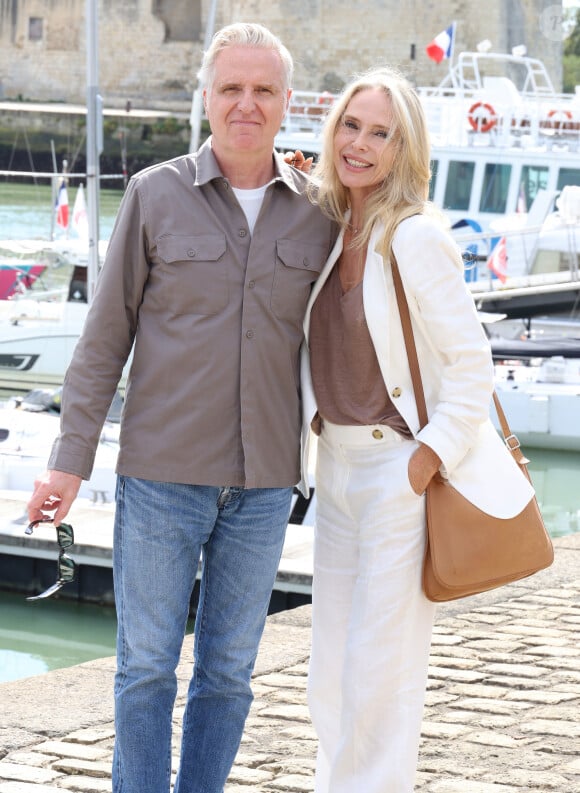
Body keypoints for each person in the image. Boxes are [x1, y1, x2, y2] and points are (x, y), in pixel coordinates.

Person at [27, 22, 334, 793]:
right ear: (206, 96)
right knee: (145, 669)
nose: (246, 104)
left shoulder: (320, 213)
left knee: (230, 672)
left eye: (264, 90)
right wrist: (69, 460)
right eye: (231, 88)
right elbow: (103, 341)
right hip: (162, 475)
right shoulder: (154, 194)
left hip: (266, 484)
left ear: (286, 101)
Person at [295, 67, 534, 792]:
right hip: (333, 469)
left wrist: (426, 459)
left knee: (381, 665)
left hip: (396, 471)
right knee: (330, 663)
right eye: (350, 126)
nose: (360, 144)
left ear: (406, 149)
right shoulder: (334, 228)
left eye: (380, 133)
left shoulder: (415, 237)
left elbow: (471, 365)